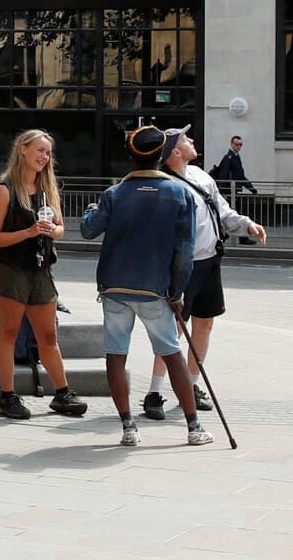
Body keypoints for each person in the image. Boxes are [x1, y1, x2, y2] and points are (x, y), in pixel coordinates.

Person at [78, 125, 208, 447]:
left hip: (115, 286)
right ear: (161, 154)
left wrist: (92, 209)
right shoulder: (179, 194)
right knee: (172, 353)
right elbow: (185, 252)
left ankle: (128, 426)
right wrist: (177, 291)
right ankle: (193, 427)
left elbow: (88, 230)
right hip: (155, 288)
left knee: (116, 354)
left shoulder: (114, 194)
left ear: (131, 156)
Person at [153, 128, 266, 420]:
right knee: (173, 330)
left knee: (204, 324)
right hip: (181, 267)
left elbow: (223, 212)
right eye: (185, 139)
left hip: (210, 261)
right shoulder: (164, 184)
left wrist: (247, 225)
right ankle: (155, 392)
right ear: (175, 152)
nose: (192, 141)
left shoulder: (202, 176)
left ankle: (191, 385)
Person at [0, 130, 86, 420]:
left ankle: (62, 393)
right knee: (9, 332)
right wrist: (28, 232)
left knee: (48, 335)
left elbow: (61, 227)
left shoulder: (48, 188)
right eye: (40, 150)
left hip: (40, 269)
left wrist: (54, 230)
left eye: (48, 152)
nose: (44, 157)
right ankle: (7, 396)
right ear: (23, 150)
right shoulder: (4, 190)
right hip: (10, 269)